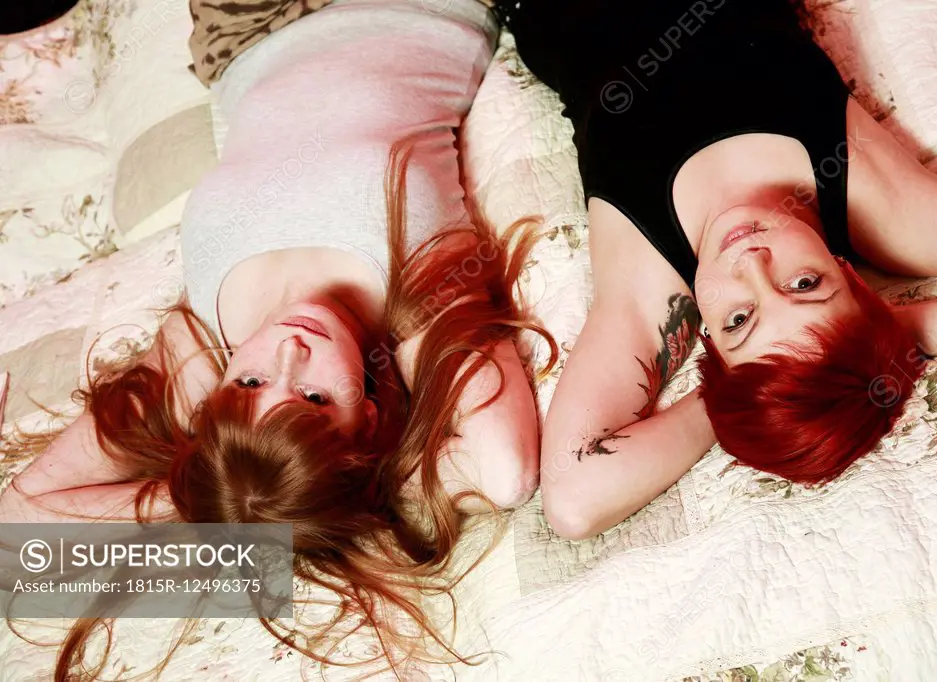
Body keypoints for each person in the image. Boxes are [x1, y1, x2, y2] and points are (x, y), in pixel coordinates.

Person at [0, 0, 553, 676]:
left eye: (252, 383)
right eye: (316, 399)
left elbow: (14, 538)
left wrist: (219, 496)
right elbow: (507, 473)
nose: (288, 350)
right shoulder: (414, 302)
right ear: (370, 418)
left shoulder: (208, 344)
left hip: (246, 25)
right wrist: (299, 514)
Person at [494, 0, 937, 539]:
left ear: (710, 349)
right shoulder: (883, 206)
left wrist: (742, 401)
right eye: (805, 285)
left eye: (740, 320)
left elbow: (574, 499)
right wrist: (889, 334)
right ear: (850, 275)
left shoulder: (647, 283)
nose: (751, 264)